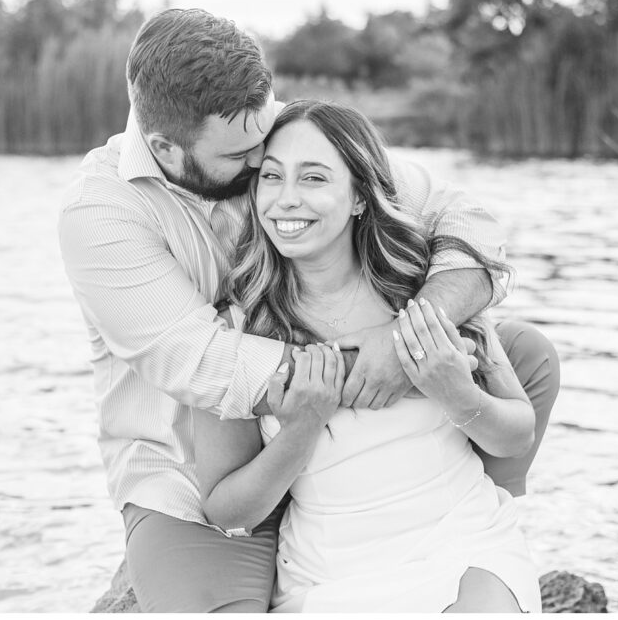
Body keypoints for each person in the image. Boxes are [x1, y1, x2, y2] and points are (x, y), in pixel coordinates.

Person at [57, 8, 559, 612]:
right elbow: (205, 365)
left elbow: (466, 220)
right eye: (248, 161)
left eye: (266, 140)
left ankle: (470, 518)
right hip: (196, 468)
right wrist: (392, 360)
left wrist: (414, 332)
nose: (264, 170)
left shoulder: (277, 136)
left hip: (379, 458)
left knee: (526, 354)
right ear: (166, 146)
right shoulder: (102, 214)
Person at [193, 100, 542, 612]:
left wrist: (457, 394)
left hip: (463, 542)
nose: (287, 200)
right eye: (272, 177)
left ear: (359, 195)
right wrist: (300, 430)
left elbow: (517, 435)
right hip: (331, 574)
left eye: (314, 179)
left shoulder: (423, 287)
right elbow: (225, 510)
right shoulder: (238, 327)